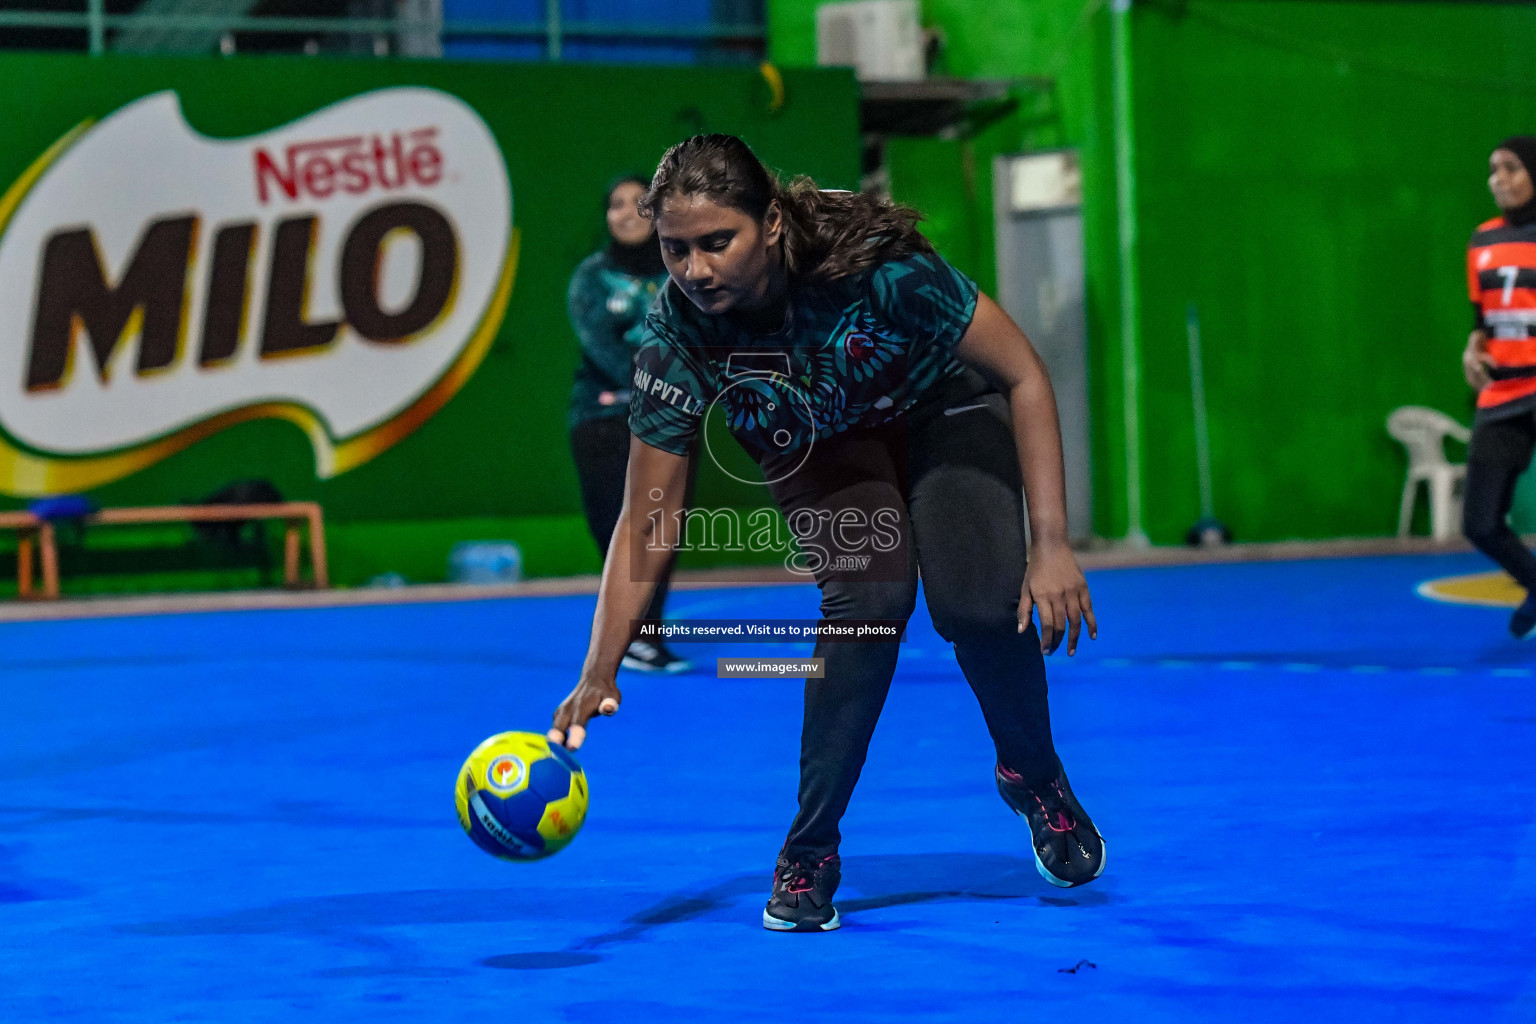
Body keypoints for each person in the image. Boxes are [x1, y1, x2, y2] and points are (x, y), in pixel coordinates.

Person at [548, 135, 1104, 932]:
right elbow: (647, 518)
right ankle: (810, 848)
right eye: (675, 248)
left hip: (943, 410)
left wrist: (1050, 543)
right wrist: (599, 666)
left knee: (981, 607)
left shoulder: (879, 267)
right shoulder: (676, 339)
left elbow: (1023, 373)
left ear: (770, 224)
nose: (695, 269)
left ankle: (1034, 775)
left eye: (717, 242)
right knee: (869, 603)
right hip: (818, 443)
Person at [567, 175, 694, 673]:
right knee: (617, 531)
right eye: (614, 204)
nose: (625, 212)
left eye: (637, 202)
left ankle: (647, 636)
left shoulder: (685, 269)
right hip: (603, 420)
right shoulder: (590, 278)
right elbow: (604, 347)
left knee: (664, 528)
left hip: (672, 422)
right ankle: (631, 633)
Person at [1461, 136, 1536, 639]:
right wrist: (1471, 349)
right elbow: (1480, 321)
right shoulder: (1482, 241)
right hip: (1504, 394)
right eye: (1493, 170)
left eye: (1511, 168)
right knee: (1480, 523)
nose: (1499, 179)